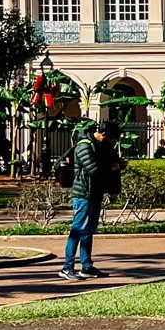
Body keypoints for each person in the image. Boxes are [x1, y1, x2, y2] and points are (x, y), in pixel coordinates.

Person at [60, 119, 119, 281]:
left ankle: (86, 266)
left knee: (88, 231)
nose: (111, 142)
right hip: (83, 194)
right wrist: (111, 167)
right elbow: (93, 169)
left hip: (95, 192)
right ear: (103, 134)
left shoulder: (100, 146)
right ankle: (67, 267)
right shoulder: (84, 145)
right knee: (77, 230)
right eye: (111, 139)